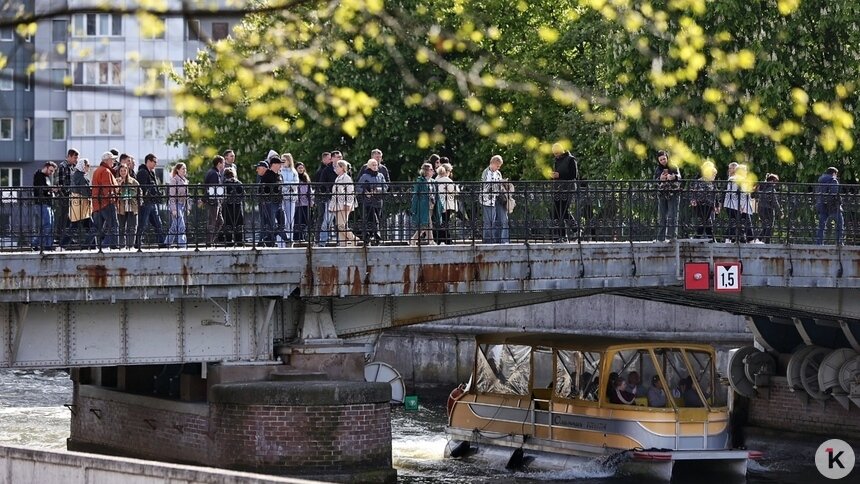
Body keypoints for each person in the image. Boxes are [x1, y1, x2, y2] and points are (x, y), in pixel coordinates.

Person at [135, 154, 166, 249]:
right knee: (142, 224)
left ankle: (161, 242)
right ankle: (137, 243)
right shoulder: (142, 172)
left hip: (152, 202)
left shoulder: (151, 173)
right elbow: (142, 187)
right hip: (146, 202)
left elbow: (153, 186)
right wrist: (151, 191)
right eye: (154, 162)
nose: (156, 164)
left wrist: (157, 193)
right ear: (148, 161)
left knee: (158, 223)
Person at [550, 143, 579, 242]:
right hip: (558, 188)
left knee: (563, 210)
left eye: (557, 153)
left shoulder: (570, 159)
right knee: (557, 212)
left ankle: (575, 229)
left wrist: (559, 175)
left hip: (568, 188)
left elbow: (573, 174)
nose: (556, 155)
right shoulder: (557, 161)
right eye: (554, 153)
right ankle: (561, 236)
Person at [91, 151, 120, 249]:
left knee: (97, 227)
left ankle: (92, 245)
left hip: (97, 203)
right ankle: (114, 245)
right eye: (112, 160)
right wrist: (113, 199)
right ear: (107, 160)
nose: (114, 162)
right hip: (106, 202)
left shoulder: (97, 170)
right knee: (113, 224)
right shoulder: (106, 171)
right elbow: (107, 188)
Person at [480, 155, 509, 243]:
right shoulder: (486, 172)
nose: (498, 168)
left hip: (497, 198)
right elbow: (485, 186)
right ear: (492, 163)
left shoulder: (498, 173)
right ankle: (488, 241)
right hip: (488, 200)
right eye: (497, 166)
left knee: (502, 220)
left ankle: (502, 240)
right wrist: (496, 184)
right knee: (489, 222)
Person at [357, 158, 387, 245]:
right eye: (373, 165)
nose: (375, 167)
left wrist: (377, 190)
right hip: (368, 201)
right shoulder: (364, 176)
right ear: (369, 166)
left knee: (377, 217)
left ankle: (371, 236)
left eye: (376, 165)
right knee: (372, 218)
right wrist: (365, 192)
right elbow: (358, 187)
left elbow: (385, 187)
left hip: (378, 200)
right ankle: (375, 236)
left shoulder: (380, 175)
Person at [654, 150, 682, 242]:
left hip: (673, 193)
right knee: (662, 216)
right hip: (662, 194)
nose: (663, 161)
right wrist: (660, 178)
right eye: (661, 160)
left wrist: (673, 177)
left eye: (664, 159)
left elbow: (680, 177)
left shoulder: (673, 166)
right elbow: (655, 180)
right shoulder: (658, 169)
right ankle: (660, 238)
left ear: (667, 158)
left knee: (672, 216)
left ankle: (672, 237)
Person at [67, 158, 95, 249]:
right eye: (87, 166)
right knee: (90, 226)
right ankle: (87, 246)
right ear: (83, 166)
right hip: (82, 204)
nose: (88, 168)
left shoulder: (76, 175)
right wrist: (93, 193)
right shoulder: (82, 177)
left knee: (86, 226)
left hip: (77, 204)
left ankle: (92, 246)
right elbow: (85, 191)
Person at [723, 164, 754, 243]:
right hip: (740, 206)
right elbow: (742, 194)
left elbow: (730, 193)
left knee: (733, 222)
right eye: (745, 170)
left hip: (730, 204)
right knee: (747, 222)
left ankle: (728, 239)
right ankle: (750, 240)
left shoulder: (731, 179)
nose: (746, 172)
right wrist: (741, 206)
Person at [329, 159, 357, 246]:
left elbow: (350, 191)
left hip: (344, 205)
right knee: (339, 225)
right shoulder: (338, 178)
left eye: (337, 166)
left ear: (342, 168)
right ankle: (343, 244)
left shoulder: (346, 178)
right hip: (337, 204)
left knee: (341, 225)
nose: (335, 168)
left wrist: (348, 204)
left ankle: (354, 239)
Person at [689, 161, 719, 241]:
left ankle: (700, 236)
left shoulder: (713, 183)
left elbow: (715, 194)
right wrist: (693, 199)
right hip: (700, 204)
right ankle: (710, 238)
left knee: (705, 220)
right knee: (705, 220)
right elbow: (693, 191)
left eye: (714, 175)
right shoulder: (699, 181)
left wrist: (717, 205)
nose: (714, 176)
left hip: (709, 204)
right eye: (713, 174)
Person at [31, 161, 58, 250]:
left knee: (50, 225)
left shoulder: (46, 177)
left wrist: (51, 190)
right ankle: (35, 243)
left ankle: (48, 245)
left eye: (53, 171)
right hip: (41, 203)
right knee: (47, 225)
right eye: (51, 170)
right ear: (46, 167)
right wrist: (51, 189)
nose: (51, 173)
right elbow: (41, 188)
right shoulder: (39, 174)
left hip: (47, 203)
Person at [56, 149, 79, 247]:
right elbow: (62, 183)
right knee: (64, 218)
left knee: (71, 219)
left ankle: (68, 238)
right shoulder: (63, 166)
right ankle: (60, 238)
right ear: (69, 156)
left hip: (72, 197)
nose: (76, 159)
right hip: (65, 197)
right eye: (75, 157)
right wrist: (68, 195)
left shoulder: (73, 167)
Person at [313, 152, 337, 245]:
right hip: (322, 197)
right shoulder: (322, 170)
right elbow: (320, 184)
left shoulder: (332, 169)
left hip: (329, 196)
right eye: (328, 158)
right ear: (323, 159)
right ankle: (319, 238)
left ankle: (326, 238)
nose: (330, 160)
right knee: (322, 217)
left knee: (330, 218)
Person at [815, 167, 843, 245]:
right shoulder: (833, 180)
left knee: (821, 225)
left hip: (821, 205)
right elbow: (834, 193)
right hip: (833, 206)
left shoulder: (820, 181)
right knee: (840, 224)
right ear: (834, 173)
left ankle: (819, 243)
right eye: (836, 174)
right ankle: (839, 242)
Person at [165, 163, 189, 248]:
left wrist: (187, 207)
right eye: (183, 169)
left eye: (185, 169)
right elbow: (172, 195)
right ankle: (182, 246)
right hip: (176, 204)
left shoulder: (185, 180)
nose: (184, 170)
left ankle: (166, 244)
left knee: (174, 227)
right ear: (178, 170)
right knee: (181, 226)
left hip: (182, 205)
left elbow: (187, 196)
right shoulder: (174, 180)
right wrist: (174, 209)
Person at [116, 164, 140, 249]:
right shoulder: (116, 181)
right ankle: (121, 245)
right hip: (121, 207)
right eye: (121, 171)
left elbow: (139, 194)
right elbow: (114, 193)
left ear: (127, 171)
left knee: (132, 227)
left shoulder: (133, 182)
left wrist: (138, 204)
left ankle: (130, 245)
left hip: (132, 207)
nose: (123, 172)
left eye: (124, 171)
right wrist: (119, 186)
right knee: (121, 227)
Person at [410, 163, 434, 245]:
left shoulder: (432, 181)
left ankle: (429, 240)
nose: (433, 171)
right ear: (426, 171)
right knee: (426, 224)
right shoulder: (420, 181)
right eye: (431, 169)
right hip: (423, 204)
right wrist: (414, 206)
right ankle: (428, 240)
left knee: (427, 223)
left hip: (430, 204)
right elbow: (416, 194)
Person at [204, 155, 225, 246]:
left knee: (220, 221)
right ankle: (209, 242)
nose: (224, 165)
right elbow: (212, 188)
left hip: (216, 201)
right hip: (214, 201)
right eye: (223, 163)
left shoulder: (214, 172)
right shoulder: (214, 173)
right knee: (213, 221)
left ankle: (211, 240)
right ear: (219, 163)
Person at [755, 173, 782, 244]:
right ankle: (767, 242)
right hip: (768, 209)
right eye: (776, 182)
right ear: (773, 181)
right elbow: (774, 202)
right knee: (769, 226)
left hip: (760, 209)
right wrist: (780, 212)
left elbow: (755, 195)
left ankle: (759, 239)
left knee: (765, 226)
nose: (776, 184)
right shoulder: (771, 189)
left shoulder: (762, 187)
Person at [434, 164, 458, 244]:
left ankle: (439, 239)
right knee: (445, 222)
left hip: (438, 204)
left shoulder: (436, 179)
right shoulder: (447, 180)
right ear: (447, 171)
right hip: (446, 204)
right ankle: (447, 240)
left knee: (440, 222)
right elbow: (452, 190)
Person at [222, 167, 245, 246]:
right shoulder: (238, 183)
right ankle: (239, 241)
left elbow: (221, 196)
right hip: (237, 207)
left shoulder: (224, 184)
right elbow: (243, 195)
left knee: (228, 224)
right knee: (238, 225)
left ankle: (229, 242)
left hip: (227, 208)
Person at [280, 153, 299, 246]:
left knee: (290, 218)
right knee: (282, 219)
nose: (283, 162)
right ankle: (282, 241)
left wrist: (288, 184)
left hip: (291, 197)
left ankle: (290, 239)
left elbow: (296, 183)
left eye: (284, 160)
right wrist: (288, 184)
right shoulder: (280, 171)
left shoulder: (293, 171)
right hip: (283, 196)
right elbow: (281, 182)